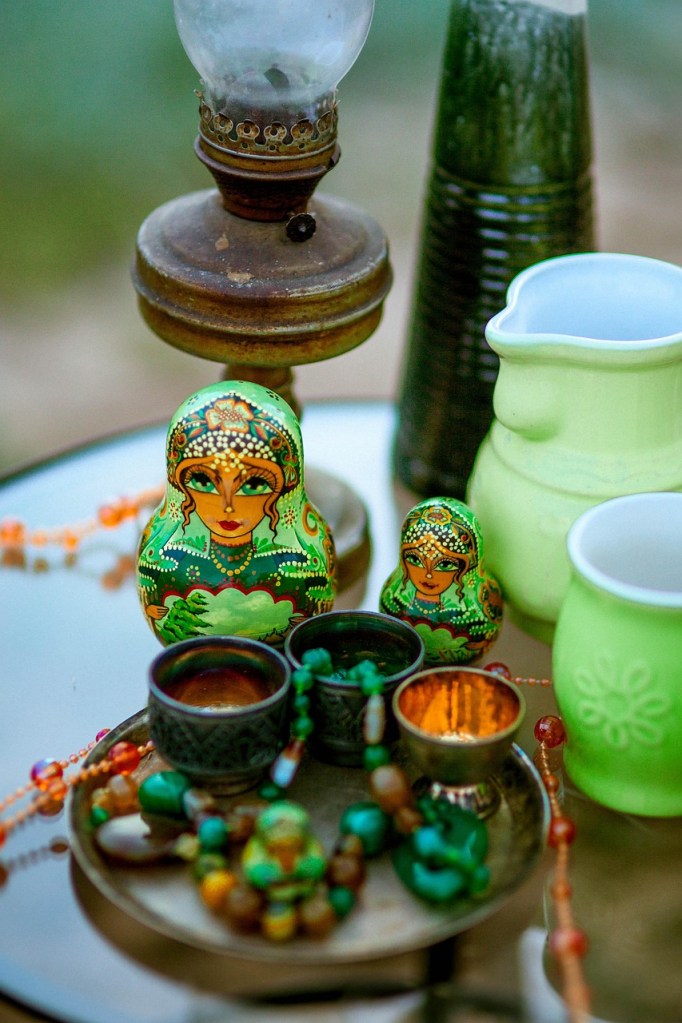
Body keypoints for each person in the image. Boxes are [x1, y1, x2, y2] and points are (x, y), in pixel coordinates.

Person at [137, 381, 335, 646]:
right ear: (180, 486)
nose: (228, 507)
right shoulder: (164, 562)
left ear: (282, 491)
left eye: (253, 485)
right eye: (204, 481)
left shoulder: (302, 565)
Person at [380, 498, 502, 665]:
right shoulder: (393, 602)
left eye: (444, 565)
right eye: (415, 560)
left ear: (465, 568)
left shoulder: (483, 608)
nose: (428, 575)